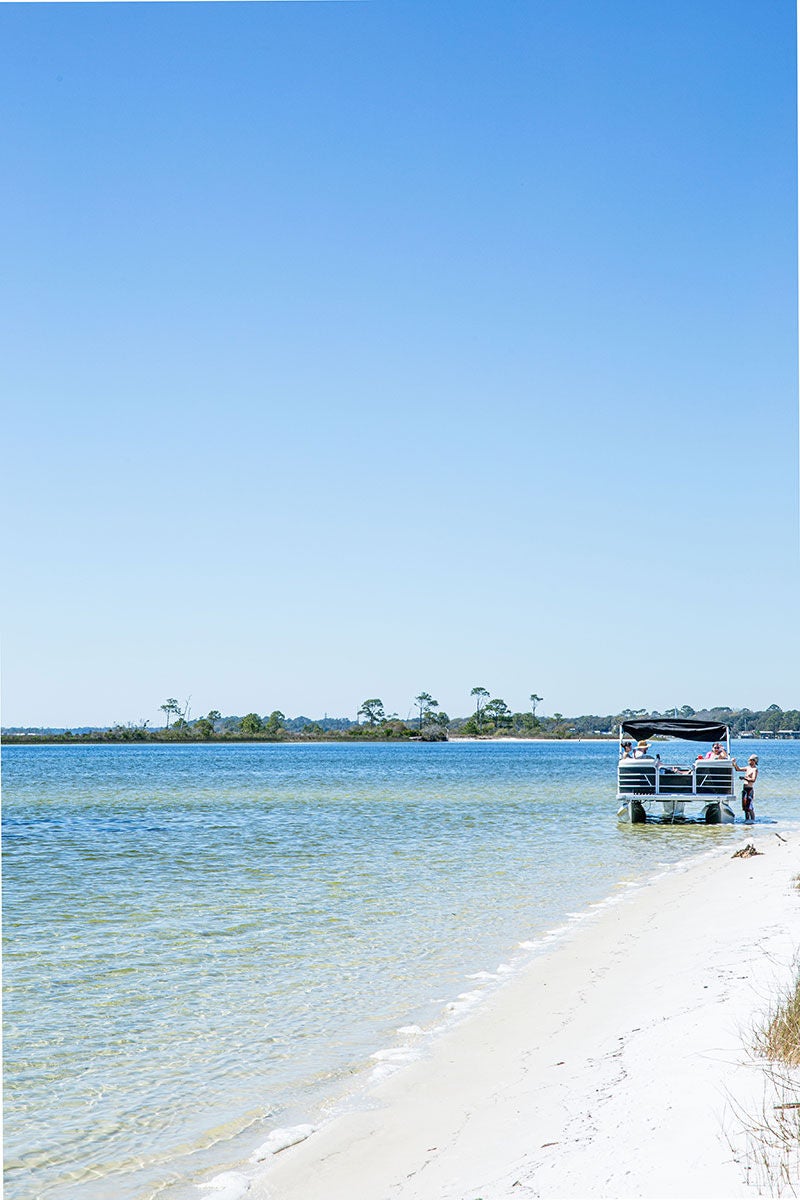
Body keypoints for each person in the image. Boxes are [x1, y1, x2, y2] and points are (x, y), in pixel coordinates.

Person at [732, 754, 759, 822]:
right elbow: (738, 769)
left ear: (754, 761)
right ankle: (747, 820)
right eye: (749, 760)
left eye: (750, 760)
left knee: (749, 807)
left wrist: (745, 778)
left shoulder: (754, 769)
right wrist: (734, 763)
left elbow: (753, 780)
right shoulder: (747, 768)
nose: (749, 761)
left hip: (749, 789)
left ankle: (752, 821)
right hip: (745, 789)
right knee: (745, 808)